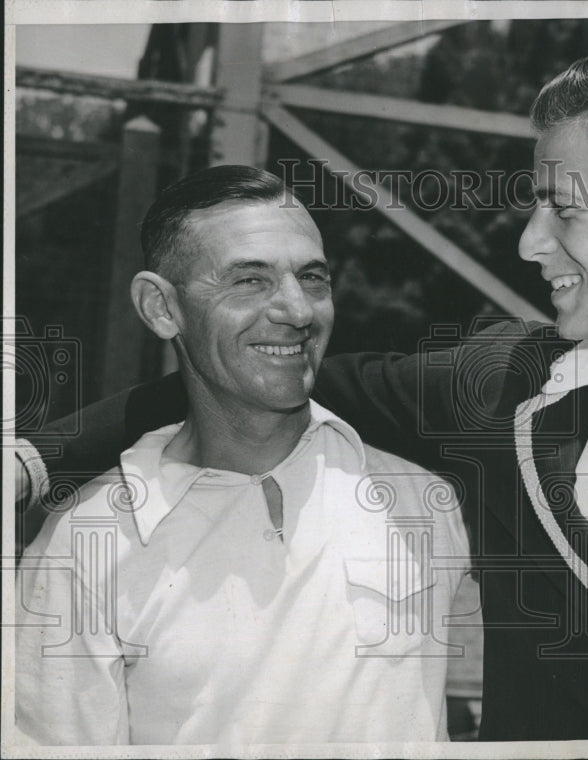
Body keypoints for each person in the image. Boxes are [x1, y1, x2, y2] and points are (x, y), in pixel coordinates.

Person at [13, 54, 588, 742]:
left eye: (562, 208)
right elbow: (247, 379)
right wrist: (37, 455)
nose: (527, 240)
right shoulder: (492, 391)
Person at [15, 166, 471, 746]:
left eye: (312, 278)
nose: (298, 310)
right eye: (250, 281)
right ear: (161, 307)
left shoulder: (422, 496)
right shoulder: (85, 542)